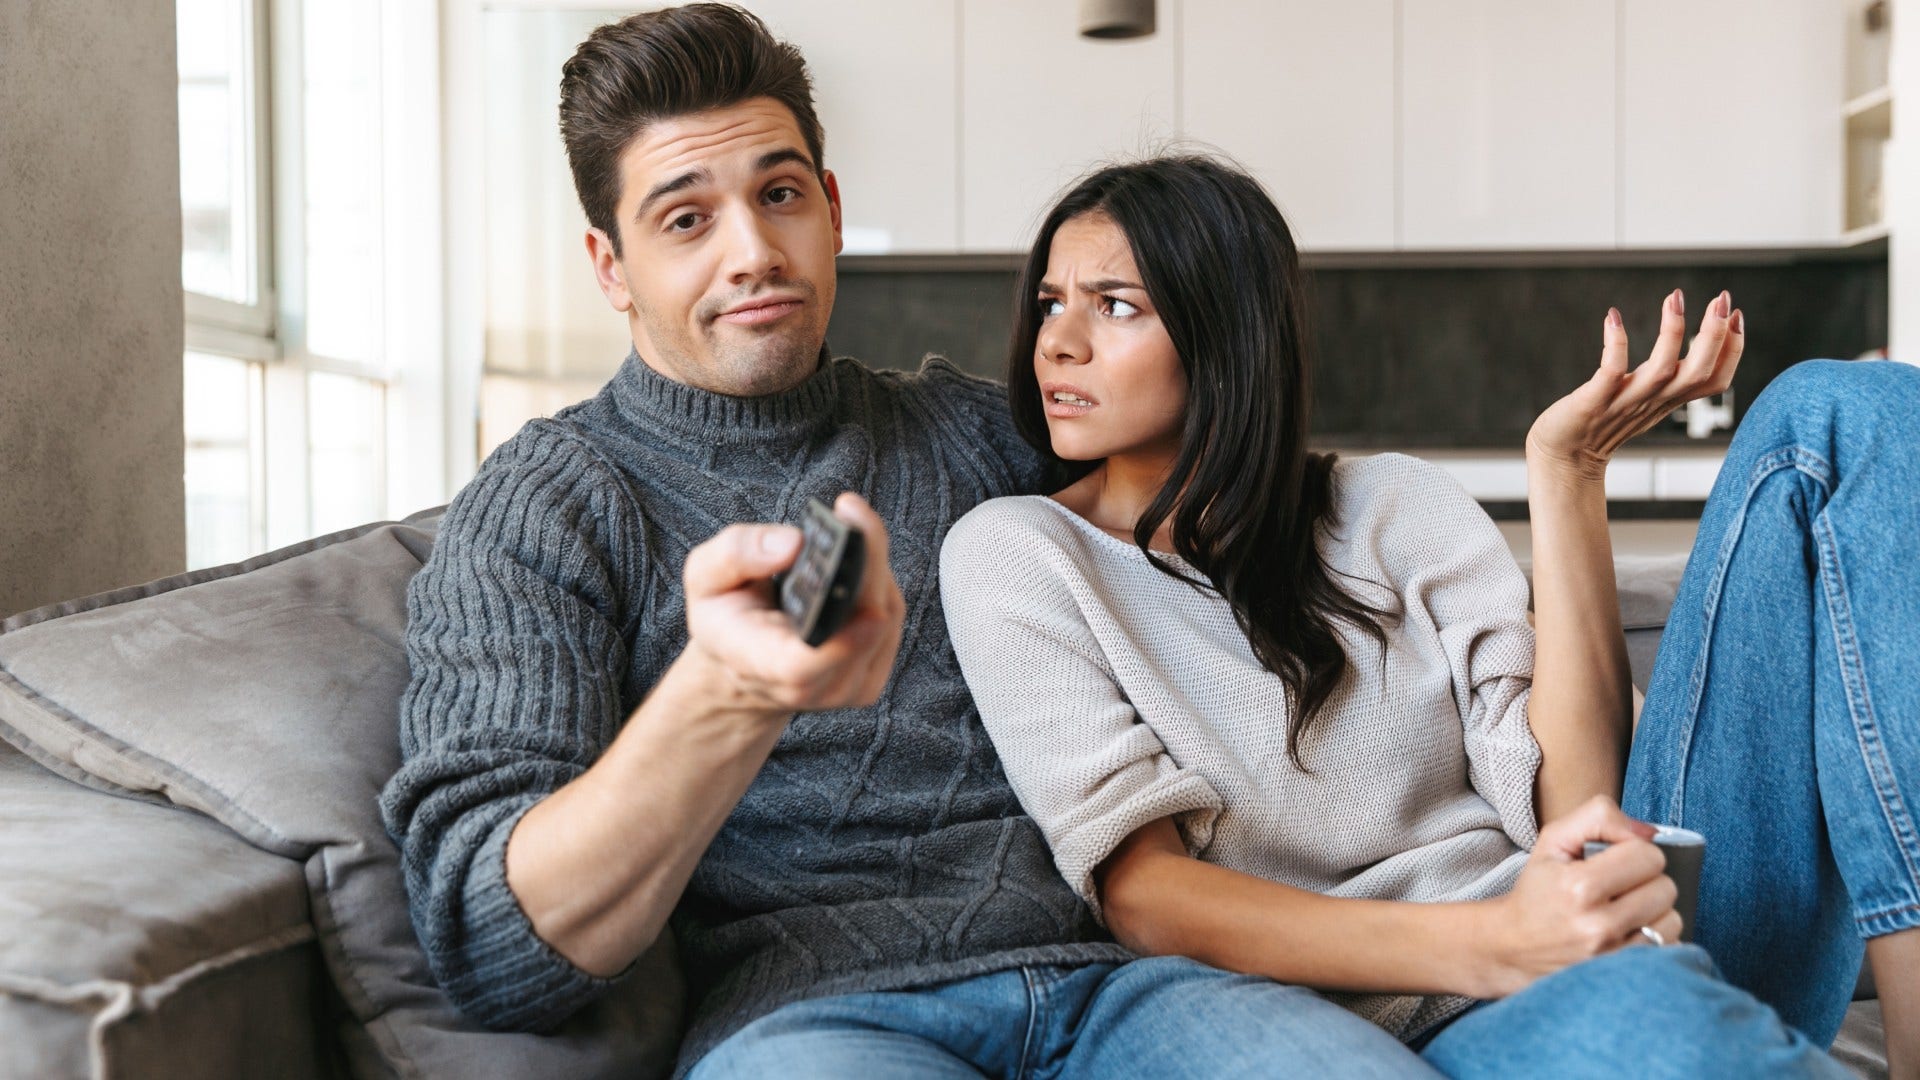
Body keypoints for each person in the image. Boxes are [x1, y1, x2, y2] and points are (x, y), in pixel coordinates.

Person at [382, 7, 1471, 1078]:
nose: (754, 251)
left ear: (832, 208)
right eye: (684, 220)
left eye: (780, 194)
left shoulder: (982, 433)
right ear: (610, 268)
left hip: (1131, 986)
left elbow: (1237, 508)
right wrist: (731, 692)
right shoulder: (549, 506)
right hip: (819, 1022)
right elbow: (495, 950)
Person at [940, 154, 1920, 1078]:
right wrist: (1503, 945)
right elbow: (1145, 895)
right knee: (1668, 1035)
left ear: (1226, 332)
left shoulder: (1393, 507)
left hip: (1623, 915)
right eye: (1050, 305)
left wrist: (1567, 476)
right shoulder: (1021, 555)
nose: (1056, 344)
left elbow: (1579, 811)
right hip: (1451, 1007)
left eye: (1114, 306)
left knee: (1849, 411)